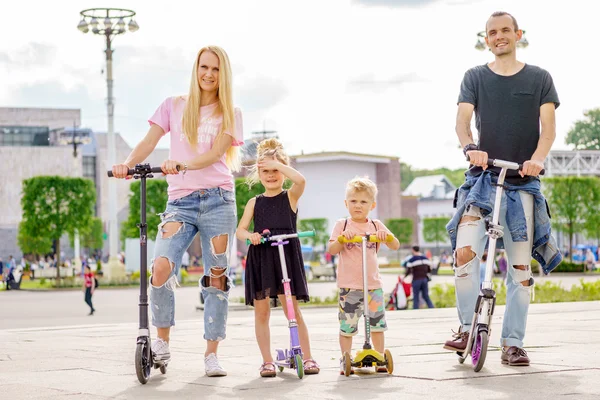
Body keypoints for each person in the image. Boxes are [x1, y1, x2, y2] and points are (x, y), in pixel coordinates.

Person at [111, 45, 242, 377]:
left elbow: (215, 154)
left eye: (215, 69)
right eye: (204, 67)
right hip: (180, 203)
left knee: (216, 276)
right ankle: (162, 342)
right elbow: (149, 141)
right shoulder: (174, 105)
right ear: (195, 69)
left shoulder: (231, 113)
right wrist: (127, 165)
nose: (208, 74)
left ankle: (211, 353)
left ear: (222, 74)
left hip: (218, 200)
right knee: (160, 266)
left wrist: (182, 163)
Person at [444, 11, 562, 367]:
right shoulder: (475, 77)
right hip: (483, 181)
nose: (499, 37)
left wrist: (538, 158)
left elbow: (548, 129)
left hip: (523, 183)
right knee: (464, 255)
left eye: (505, 31)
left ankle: (513, 342)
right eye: (492, 32)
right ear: (486, 38)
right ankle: (467, 327)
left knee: (520, 271)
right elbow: (463, 123)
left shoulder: (540, 78)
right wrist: (470, 148)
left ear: (518, 34)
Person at [236, 138, 319, 377]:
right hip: (262, 256)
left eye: (276, 171)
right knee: (261, 312)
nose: (271, 175)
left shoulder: (290, 197)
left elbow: (301, 180)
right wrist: (250, 235)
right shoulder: (255, 202)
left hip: (285, 257)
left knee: (292, 309)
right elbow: (240, 229)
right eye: (266, 171)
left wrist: (277, 162)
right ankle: (267, 360)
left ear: (283, 171)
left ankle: (308, 356)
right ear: (258, 173)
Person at [327, 177, 401, 374]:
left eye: (363, 202)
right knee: (347, 326)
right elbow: (332, 249)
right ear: (346, 203)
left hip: (373, 286)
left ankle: (379, 356)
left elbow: (395, 245)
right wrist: (343, 239)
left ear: (372, 205)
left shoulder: (376, 226)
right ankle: (346, 358)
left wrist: (388, 238)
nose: (358, 206)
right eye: (353, 201)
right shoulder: (342, 225)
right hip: (349, 286)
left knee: (377, 324)